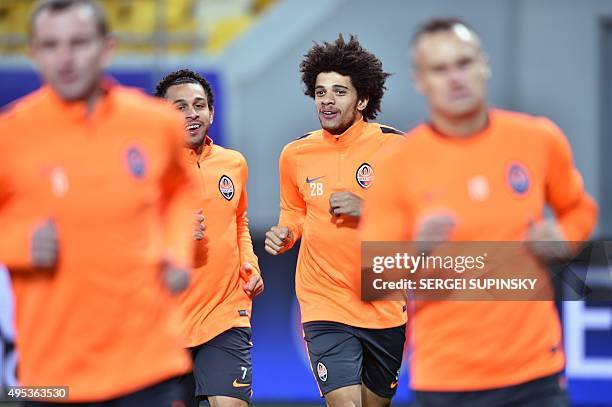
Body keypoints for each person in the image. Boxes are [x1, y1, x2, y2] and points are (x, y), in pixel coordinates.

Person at [360, 17, 598, 407]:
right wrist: (416, 248)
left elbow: (579, 209)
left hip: (536, 373)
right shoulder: (396, 164)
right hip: (445, 380)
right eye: (440, 69)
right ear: (421, 80)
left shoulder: (538, 139)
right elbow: (374, 279)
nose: (455, 78)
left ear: (484, 65)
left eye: (464, 63)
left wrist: (565, 238)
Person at [0, 1, 198, 405]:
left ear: (107, 48)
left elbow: (180, 191)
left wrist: (178, 252)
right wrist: (18, 243)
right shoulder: (12, 135)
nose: (66, 59)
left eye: (79, 43)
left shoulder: (156, 123)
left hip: (147, 361)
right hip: (48, 374)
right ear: (33, 53)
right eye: (51, 45)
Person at [264, 34, 407, 407]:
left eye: (339, 92)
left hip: (382, 302)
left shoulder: (396, 148)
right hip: (322, 301)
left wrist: (370, 209)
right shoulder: (295, 153)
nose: (327, 100)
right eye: (320, 91)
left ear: (362, 100)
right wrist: (286, 233)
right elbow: (293, 212)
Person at [155, 69, 263, 407]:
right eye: (180, 107)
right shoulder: (149, 169)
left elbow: (239, 220)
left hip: (225, 314)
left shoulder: (234, 164)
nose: (191, 114)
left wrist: (251, 262)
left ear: (211, 113)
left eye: (199, 105)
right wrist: (174, 234)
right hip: (165, 325)